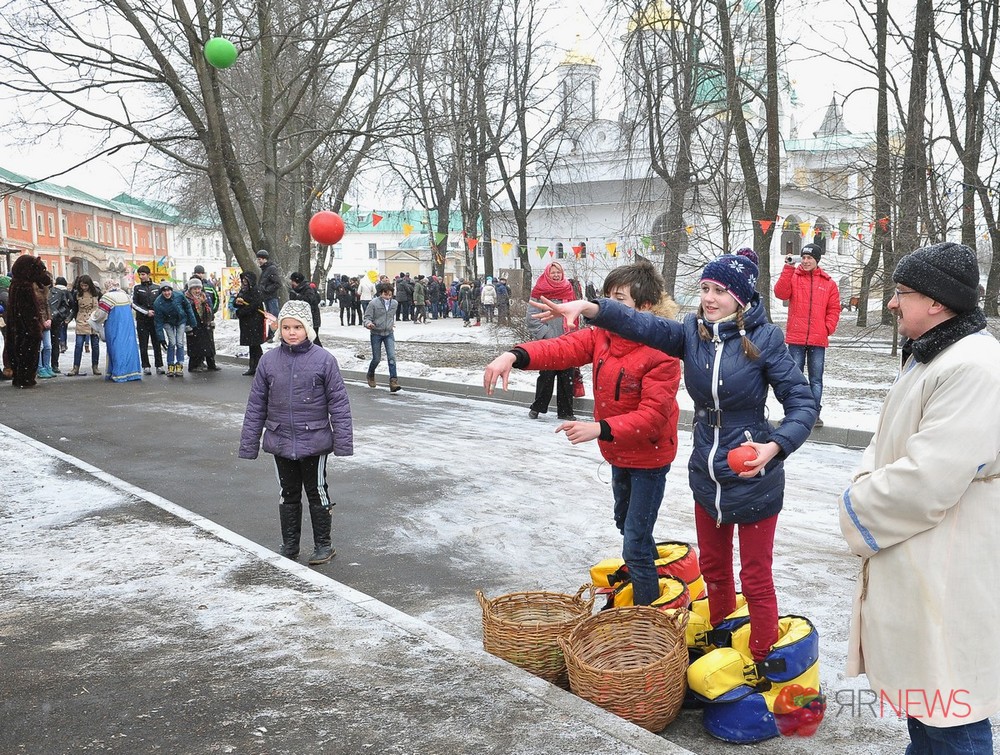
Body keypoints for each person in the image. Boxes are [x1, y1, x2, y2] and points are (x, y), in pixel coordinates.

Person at [532, 250, 816, 664]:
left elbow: (804, 404)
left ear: (740, 297)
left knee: (755, 578)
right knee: (715, 571)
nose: (710, 298)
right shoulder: (690, 332)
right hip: (706, 471)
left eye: (720, 290)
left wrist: (774, 448)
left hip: (756, 473)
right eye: (704, 289)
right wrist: (593, 308)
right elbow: (640, 323)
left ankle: (762, 658)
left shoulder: (766, 339)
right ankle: (723, 644)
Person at [838, 242, 1000, 754]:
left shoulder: (974, 368)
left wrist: (856, 506)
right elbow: (885, 442)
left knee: (952, 708)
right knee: (928, 707)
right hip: (920, 561)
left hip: (948, 567)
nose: (891, 303)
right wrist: (866, 481)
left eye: (901, 293)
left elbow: (930, 476)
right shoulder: (934, 356)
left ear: (935, 301)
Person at [484, 261, 682, 605]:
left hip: (649, 457)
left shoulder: (661, 350)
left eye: (619, 299)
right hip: (618, 452)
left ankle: (647, 616)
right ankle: (654, 579)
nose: (608, 305)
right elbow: (560, 349)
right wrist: (513, 355)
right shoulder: (603, 336)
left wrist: (600, 428)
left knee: (634, 541)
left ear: (645, 307)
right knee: (627, 523)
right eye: (607, 296)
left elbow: (653, 417)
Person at [239, 299, 354, 565]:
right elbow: (256, 404)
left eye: (297, 327)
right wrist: (249, 443)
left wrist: (343, 441)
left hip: (314, 439)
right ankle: (290, 545)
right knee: (288, 492)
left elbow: (339, 403)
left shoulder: (324, 360)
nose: (291, 332)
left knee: (317, 491)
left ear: (308, 330)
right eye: (286, 327)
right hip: (280, 439)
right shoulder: (268, 362)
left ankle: (323, 545)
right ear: (279, 330)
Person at [773, 242, 840, 428]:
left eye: (809, 258)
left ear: (817, 260)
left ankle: (814, 415)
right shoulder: (793, 277)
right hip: (796, 338)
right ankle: (793, 413)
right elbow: (780, 293)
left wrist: (827, 328)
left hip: (818, 340)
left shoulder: (828, 283)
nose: (805, 261)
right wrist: (788, 268)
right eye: (803, 257)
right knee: (794, 378)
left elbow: (834, 309)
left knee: (816, 379)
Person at [526, 262, 578, 420]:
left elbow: (575, 313)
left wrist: (573, 333)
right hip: (549, 343)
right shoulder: (539, 291)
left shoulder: (568, 289)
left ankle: (566, 412)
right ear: (547, 274)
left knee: (567, 376)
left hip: (567, 340)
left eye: (558, 272)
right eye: (553, 272)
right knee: (546, 376)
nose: (556, 275)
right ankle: (537, 407)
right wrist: (548, 334)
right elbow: (531, 319)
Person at [7, 254, 52, 389]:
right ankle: (25, 377)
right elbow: (29, 310)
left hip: (19, 327)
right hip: (26, 327)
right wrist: (35, 327)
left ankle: (20, 376)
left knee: (17, 346)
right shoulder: (24, 288)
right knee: (27, 347)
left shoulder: (16, 285)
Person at [90, 280, 142, 383]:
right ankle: (132, 372)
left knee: (116, 348)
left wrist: (92, 317)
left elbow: (100, 314)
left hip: (114, 325)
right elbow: (132, 307)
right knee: (129, 347)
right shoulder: (125, 295)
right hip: (128, 326)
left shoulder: (107, 297)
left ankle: (119, 373)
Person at [363, 282, 401, 392]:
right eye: (385, 294)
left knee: (392, 357)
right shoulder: (373, 303)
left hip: (388, 333)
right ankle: (370, 374)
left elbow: (390, 316)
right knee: (376, 358)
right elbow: (367, 318)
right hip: (376, 333)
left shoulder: (394, 303)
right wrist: (369, 324)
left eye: (390, 295)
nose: (387, 297)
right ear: (381, 294)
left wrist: (390, 323)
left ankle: (393, 381)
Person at [154, 281, 195, 377]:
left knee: (179, 342)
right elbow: (158, 321)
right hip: (167, 322)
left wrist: (192, 323)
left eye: (168, 290)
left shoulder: (179, 296)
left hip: (180, 320)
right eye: (164, 291)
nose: (167, 293)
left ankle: (180, 364)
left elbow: (188, 307)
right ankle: (170, 364)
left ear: (171, 290)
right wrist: (161, 338)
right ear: (161, 292)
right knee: (172, 342)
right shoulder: (158, 303)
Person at [131, 265, 165, 375]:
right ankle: (146, 365)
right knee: (143, 343)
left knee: (156, 342)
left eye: (143, 274)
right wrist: (146, 312)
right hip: (142, 320)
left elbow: (161, 302)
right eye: (139, 274)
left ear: (148, 275)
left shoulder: (157, 287)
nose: (141, 277)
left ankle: (159, 365)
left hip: (155, 320)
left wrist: (157, 313)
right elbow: (134, 304)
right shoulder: (137, 288)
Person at [67, 274, 102, 377]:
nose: (84, 288)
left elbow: (102, 306)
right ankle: (75, 367)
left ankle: (95, 366)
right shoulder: (76, 294)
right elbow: (74, 308)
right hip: (81, 320)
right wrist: (69, 318)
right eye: (82, 286)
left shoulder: (97, 293)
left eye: (86, 286)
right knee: (78, 345)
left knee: (95, 345)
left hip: (94, 320)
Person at [234, 271, 265, 376]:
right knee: (252, 346)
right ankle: (254, 366)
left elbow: (255, 305)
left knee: (255, 345)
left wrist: (241, 312)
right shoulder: (243, 290)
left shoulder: (255, 290)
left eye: (245, 279)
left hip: (254, 321)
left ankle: (257, 366)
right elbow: (236, 301)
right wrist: (237, 302)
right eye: (243, 279)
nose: (243, 281)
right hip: (247, 321)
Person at [191, 265, 221, 371]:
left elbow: (215, 298)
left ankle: (211, 363)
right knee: (198, 343)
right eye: (197, 273)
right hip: (197, 321)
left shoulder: (209, 285)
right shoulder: (190, 286)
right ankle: (198, 363)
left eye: (201, 273)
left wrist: (212, 311)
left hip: (208, 318)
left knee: (209, 342)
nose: (199, 275)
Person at [183, 277, 215, 372]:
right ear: (190, 289)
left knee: (208, 344)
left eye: (198, 288)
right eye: (194, 289)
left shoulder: (205, 297)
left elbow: (210, 309)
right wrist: (187, 326)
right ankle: (194, 366)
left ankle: (211, 364)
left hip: (205, 323)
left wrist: (211, 320)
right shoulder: (186, 299)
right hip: (193, 324)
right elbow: (185, 313)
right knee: (195, 346)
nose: (197, 291)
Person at [289, 271, 322, 345]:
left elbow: (309, 300)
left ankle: (320, 354)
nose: (291, 283)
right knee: (308, 339)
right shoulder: (298, 289)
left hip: (312, 318)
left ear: (296, 281)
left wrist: (297, 296)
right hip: (305, 317)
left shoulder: (307, 288)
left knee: (313, 338)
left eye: (292, 281)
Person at [48, 276, 72, 374]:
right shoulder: (36, 293)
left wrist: (58, 314)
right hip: (41, 321)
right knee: (44, 345)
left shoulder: (59, 293)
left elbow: (65, 307)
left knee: (54, 343)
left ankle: (54, 364)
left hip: (55, 321)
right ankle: (42, 365)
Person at [255, 250, 282, 338]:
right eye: (258, 259)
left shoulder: (271, 269)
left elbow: (277, 283)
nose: (259, 261)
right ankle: (271, 334)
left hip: (271, 297)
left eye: (260, 259)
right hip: (267, 297)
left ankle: (275, 334)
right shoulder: (265, 269)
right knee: (270, 316)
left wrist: (266, 290)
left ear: (264, 259)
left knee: (273, 316)